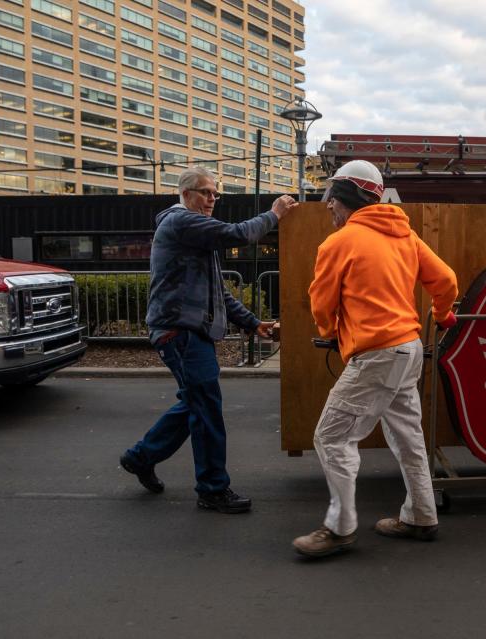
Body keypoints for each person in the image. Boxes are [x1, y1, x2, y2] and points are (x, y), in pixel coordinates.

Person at [292, 160, 458, 557]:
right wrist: (443, 314)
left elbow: (322, 302)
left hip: (377, 354)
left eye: (331, 197)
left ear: (345, 197)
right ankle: (421, 515)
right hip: (408, 348)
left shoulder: (339, 243)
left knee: (331, 437)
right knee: (407, 436)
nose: (328, 205)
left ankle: (338, 529)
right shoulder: (405, 236)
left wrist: (330, 332)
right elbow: (446, 281)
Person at [119, 166, 298, 513]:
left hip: (186, 332)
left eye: (215, 194)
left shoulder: (195, 233)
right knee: (206, 408)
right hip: (180, 332)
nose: (212, 199)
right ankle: (213, 488)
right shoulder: (180, 221)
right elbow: (238, 234)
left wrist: (252, 322)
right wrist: (274, 213)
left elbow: (218, 292)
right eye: (206, 192)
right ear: (186, 194)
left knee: (195, 404)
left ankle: (141, 457)